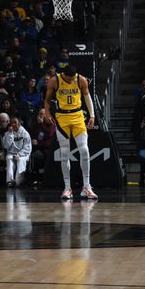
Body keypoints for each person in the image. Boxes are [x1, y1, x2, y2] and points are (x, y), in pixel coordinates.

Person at [43, 64, 98, 201]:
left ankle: (87, 186)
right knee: (65, 153)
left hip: (78, 116)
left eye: (73, 78)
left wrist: (92, 115)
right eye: (69, 79)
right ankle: (67, 188)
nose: (71, 80)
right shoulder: (54, 80)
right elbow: (47, 99)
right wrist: (48, 113)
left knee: (84, 150)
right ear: (64, 75)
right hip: (62, 118)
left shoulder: (81, 80)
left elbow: (87, 97)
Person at [3, 116, 32, 187]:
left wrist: (18, 155)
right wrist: (10, 135)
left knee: (20, 161)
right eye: (12, 122)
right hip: (11, 153)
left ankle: (18, 182)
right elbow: (6, 146)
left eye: (15, 122)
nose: (13, 124)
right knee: (9, 159)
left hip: (23, 154)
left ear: (19, 124)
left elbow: (27, 148)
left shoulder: (25, 133)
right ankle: (10, 181)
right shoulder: (7, 134)